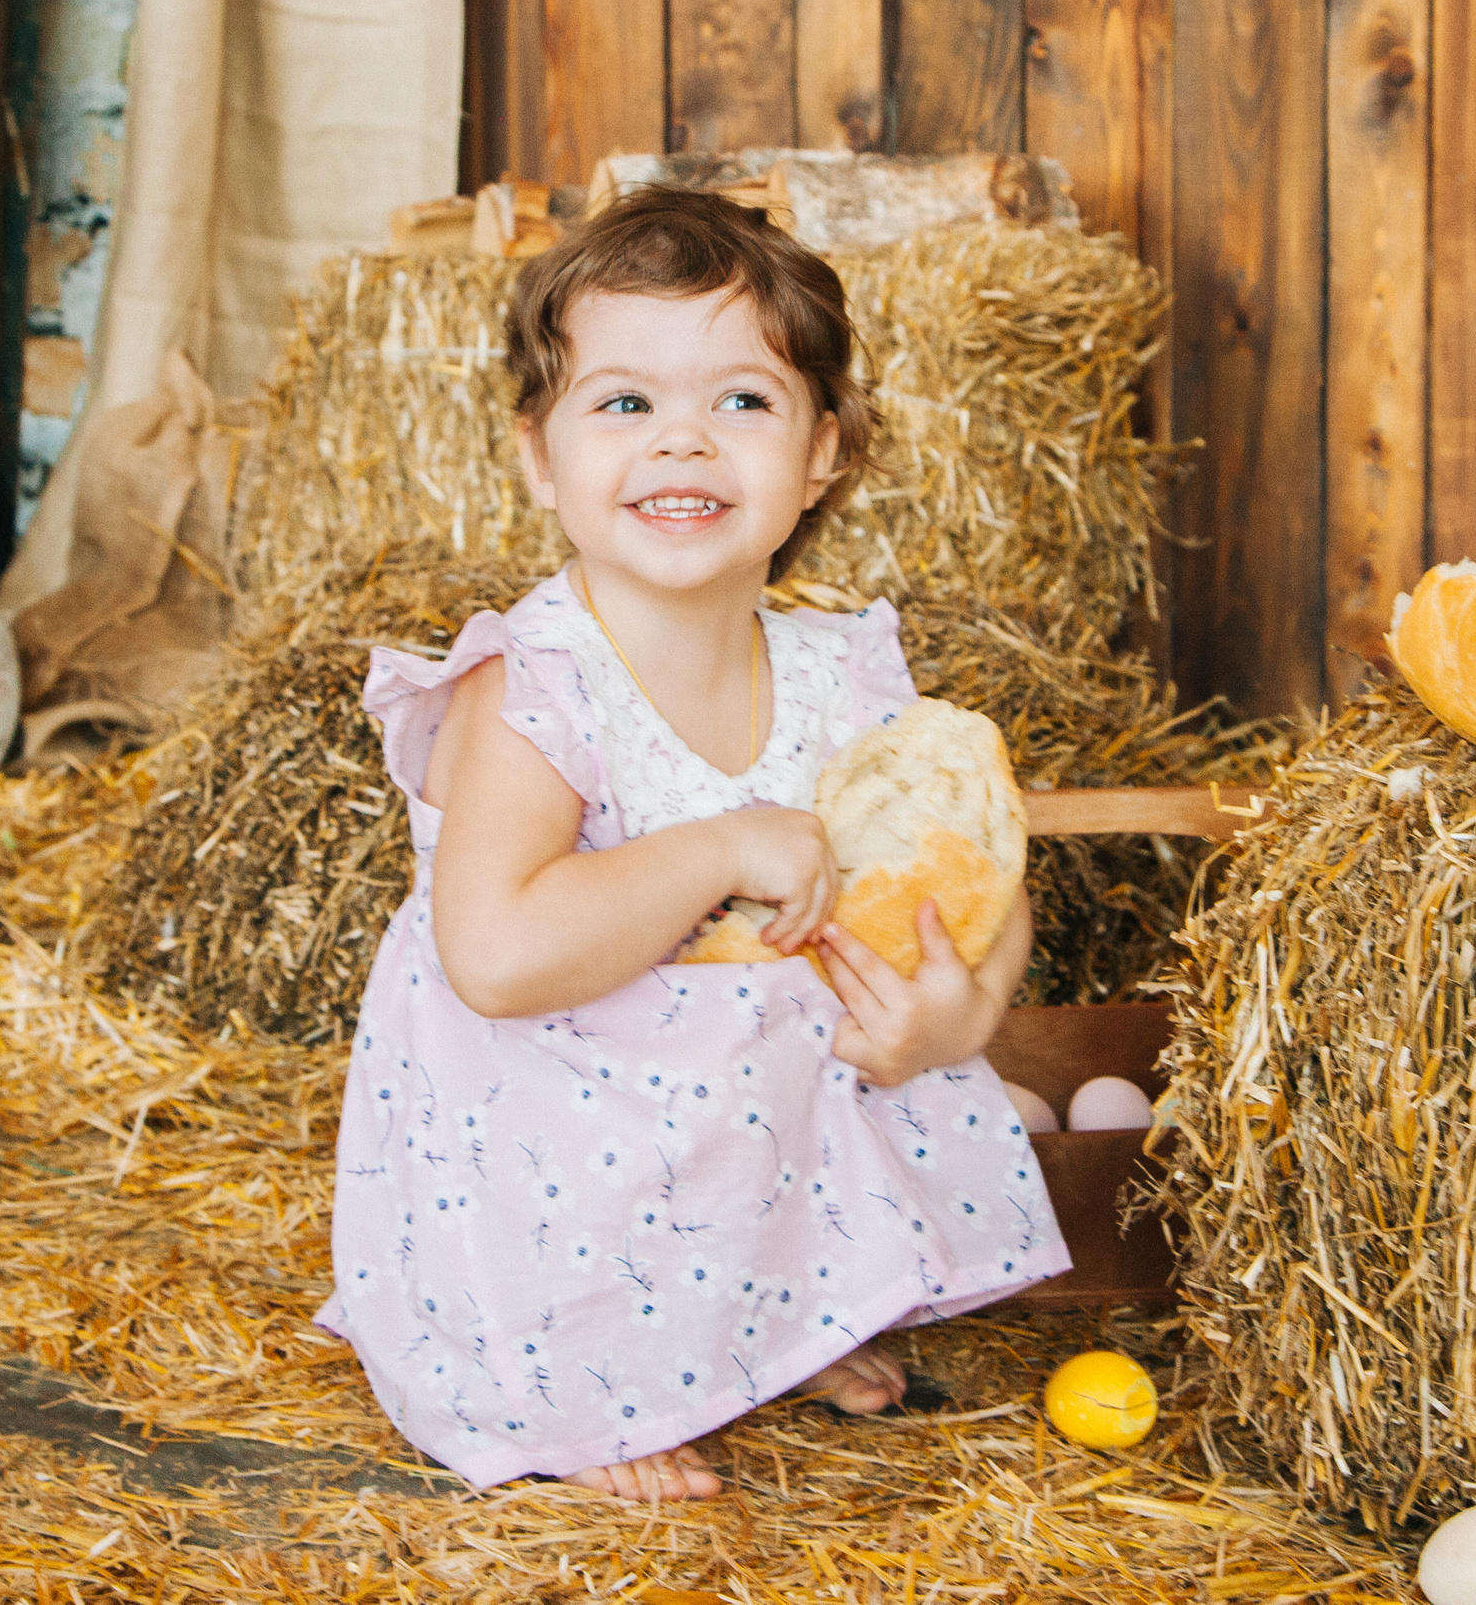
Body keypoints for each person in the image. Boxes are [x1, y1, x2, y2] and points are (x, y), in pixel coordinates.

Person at [314, 187, 1068, 1502]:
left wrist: (964, 1010)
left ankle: (763, 1321)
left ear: (821, 454)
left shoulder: (842, 677)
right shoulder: (534, 689)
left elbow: (979, 880)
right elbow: (496, 957)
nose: (682, 441)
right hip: (552, 1138)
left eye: (743, 402)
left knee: (809, 1032)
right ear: (539, 458)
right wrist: (721, 848)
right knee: (645, 1093)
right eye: (624, 403)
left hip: (723, 1117)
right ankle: (583, 1372)